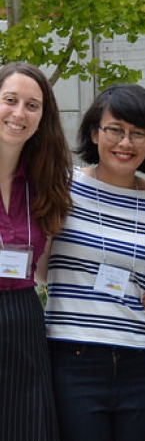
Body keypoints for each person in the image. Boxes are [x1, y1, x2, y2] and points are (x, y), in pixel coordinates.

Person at [45, 83, 145, 441]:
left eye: (139, 133)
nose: (126, 143)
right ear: (94, 132)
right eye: (115, 129)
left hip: (139, 362)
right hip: (73, 358)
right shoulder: (61, 187)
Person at [0, 62, 72, 441]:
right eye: (10, 100)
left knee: (25, 427)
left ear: (43, 117)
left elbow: (47, 268)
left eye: (32, 105)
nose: (19, 113)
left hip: (24, 319)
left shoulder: (45, 182)